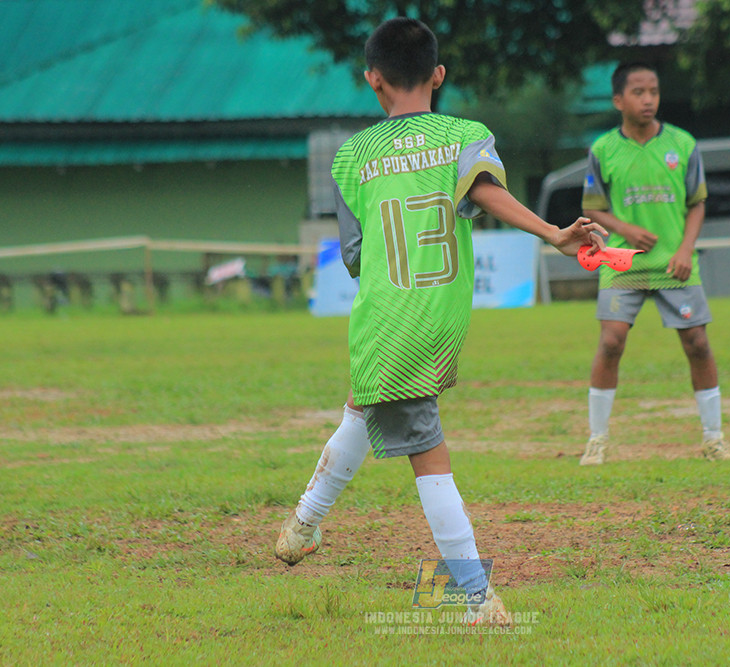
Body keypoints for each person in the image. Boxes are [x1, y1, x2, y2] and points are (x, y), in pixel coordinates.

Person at [274, 17, 607, 624]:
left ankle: (472, 596)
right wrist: (555, 233)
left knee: (424, 449)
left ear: (373, 80)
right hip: (441, 319)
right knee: (365, 406)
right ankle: (308, 528)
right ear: (439, 75)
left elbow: (354, 257)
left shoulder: (352, 158)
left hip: (388, 317)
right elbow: (484, 191)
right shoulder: (466, 134)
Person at [577, 62, 730, 466]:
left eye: (653, 90)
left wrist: (685, 249)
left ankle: (713, 440)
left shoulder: (683, 144)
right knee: (611, 342)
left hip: (675, 265)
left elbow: (697, 204)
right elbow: (592, 209)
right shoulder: (602, 150)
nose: (648, 98)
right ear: (618, 100)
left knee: (698, 344)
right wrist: (626, 230)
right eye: (638, 92)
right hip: (621, 263)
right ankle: (596, 440)